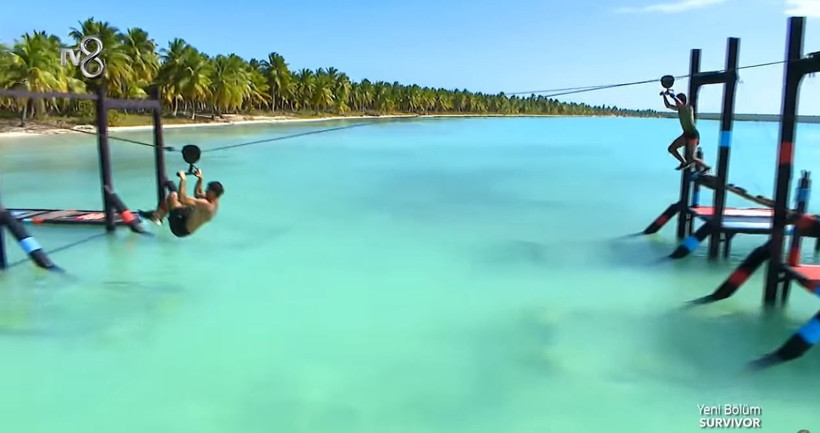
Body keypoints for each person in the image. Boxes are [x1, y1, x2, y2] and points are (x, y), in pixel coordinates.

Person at [138, 169, 223, 238]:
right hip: (187, 217)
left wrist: (183, 179)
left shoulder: (207, 205)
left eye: (208, 190)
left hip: (180, 228)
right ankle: (157, 215)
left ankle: (157, 217)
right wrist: (200, 179)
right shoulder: (214, 200)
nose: (206, 191)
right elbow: (198, 194)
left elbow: (182, 199)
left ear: (214, 193)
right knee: (182, 203)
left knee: (173, 196)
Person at [662, 91, 711, 173]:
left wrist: (672, 95)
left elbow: (680, 103)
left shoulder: (688, 107)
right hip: (686, 134)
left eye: (676, 102)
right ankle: (684, 162)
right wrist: (664, 96)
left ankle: (706, 167)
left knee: (692, 157)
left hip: (693, 135)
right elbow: (668, 106)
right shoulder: (679, 109)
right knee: (671, 149)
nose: (676, 104)